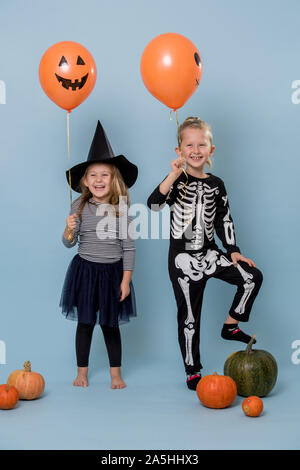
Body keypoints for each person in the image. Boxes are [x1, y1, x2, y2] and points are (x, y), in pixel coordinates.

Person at [147, 117, 263, 390]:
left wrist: (233, 251)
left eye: (202, 144)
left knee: (251, 277)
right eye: (189, 145)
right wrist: (173, 175)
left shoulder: (217, 184)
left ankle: (230, 325)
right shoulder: (178, 181)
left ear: (211, 150)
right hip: (182, 259)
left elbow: (225, 219)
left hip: (210, 252)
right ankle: (192, 369)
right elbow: (153, 205)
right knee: (189, 317)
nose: (196, 150)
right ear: (179, 151)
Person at [60, 120, 138, 389]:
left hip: (112, 273)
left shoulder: (121, 209)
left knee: (110, 325)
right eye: (93, 175)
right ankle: (82, 372)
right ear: (84, 180)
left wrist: (125, 281)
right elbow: (69, 243)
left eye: (104, 175)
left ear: (114, 179)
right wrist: (68, 230)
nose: (98, 180)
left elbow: (128, 247)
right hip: (84, 271)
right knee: (84, 323)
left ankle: (115, 374)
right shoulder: (79, 205)